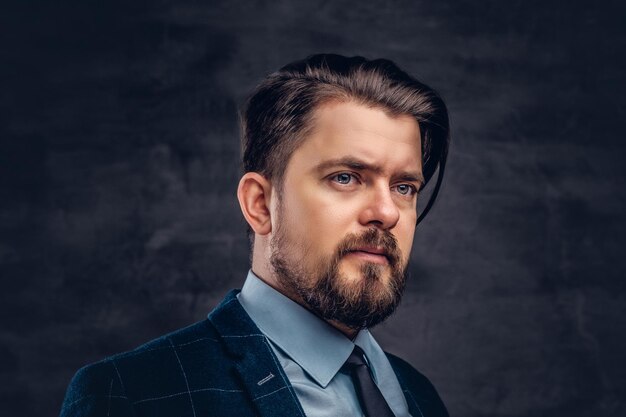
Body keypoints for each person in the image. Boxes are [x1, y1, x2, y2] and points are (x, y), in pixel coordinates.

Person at [60, 54, 450, 417]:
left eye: (404, 187)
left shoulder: (419, 395)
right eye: (345, 178)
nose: (385, 212)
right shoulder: (130, 394)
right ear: (260, 204)